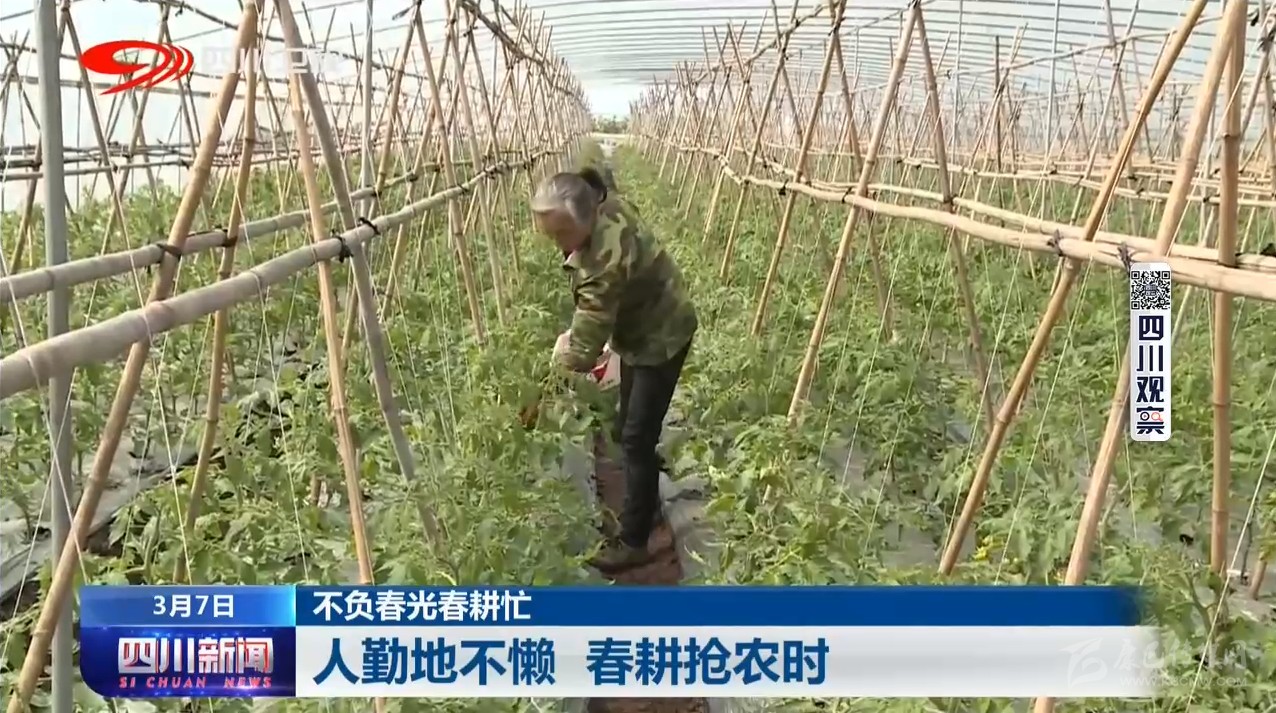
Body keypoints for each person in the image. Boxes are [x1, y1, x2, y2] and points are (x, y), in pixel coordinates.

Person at [530, 170, 698, 571]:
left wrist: (542, 391)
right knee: (627, 430)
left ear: (586, 216)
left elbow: (584, 349)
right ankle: (645, 507)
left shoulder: (603, 263)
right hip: (642, 332)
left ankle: (634, 541)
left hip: (661, 337)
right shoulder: (605, 207)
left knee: (637, 436)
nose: (558, 245)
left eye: (561, 234)